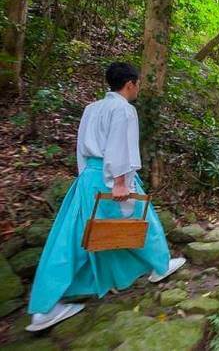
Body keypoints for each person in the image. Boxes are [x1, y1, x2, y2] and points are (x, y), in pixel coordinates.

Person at [25, 62, 185, 332]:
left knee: (72, 238)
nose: (138, 89)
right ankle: (159, 266)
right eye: (138, 84)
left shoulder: (92, 108)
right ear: (130, 84)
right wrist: (120, 182)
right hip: (113, 178)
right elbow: (119, 147)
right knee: (143, 222)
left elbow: (82, 149)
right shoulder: (124, 109)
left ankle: (44, 306)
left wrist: (85, 176)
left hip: (88, 178)